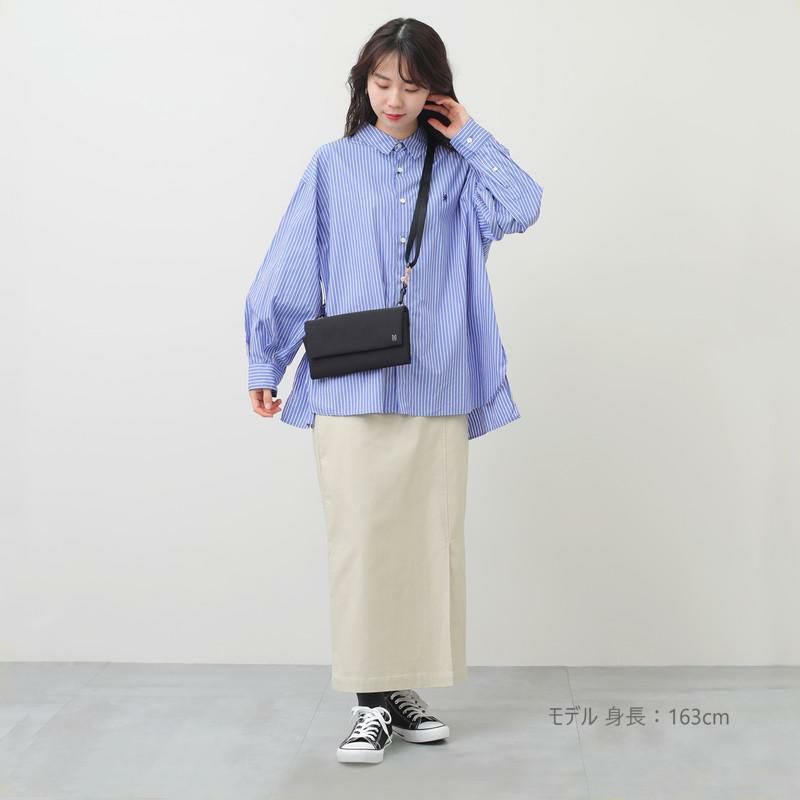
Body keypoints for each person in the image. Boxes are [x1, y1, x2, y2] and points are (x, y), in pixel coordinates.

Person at [244, 17, 543, 765]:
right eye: (382, 83)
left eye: (411, 86)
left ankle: (398, 690)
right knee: (361, 546)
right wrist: (265, 361)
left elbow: (523, 205)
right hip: (349, 388)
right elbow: (291, 263)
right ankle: (368, 704)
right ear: (364, 82)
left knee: (426, 546)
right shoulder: (333, 165)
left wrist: (469, 133)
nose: (394, 99)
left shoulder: (458, 169)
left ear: (434, 90)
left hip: (435, 383)